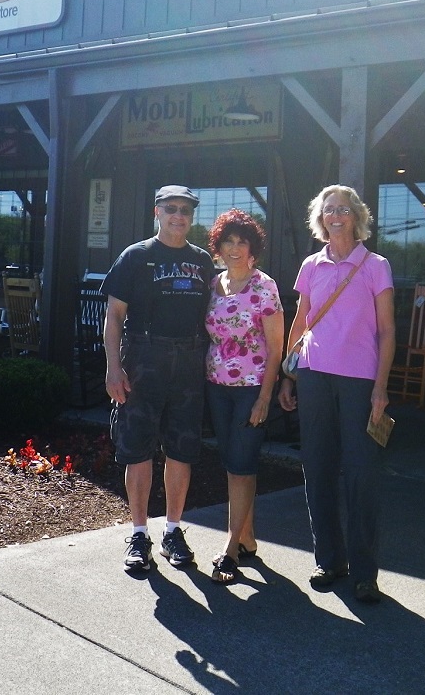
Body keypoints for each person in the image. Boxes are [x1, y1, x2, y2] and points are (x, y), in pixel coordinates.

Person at [278, 184, 395, 604]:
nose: (336, 215)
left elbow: (387, 330)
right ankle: (330, 560)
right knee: (319, 470)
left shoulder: (375, 265)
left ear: (356, 216)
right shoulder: (311, 265)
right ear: (321, 218)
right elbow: (300, 321)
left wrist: (381, 388)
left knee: (362, 475)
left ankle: (365, 573)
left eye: (343, 209)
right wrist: (288, 376)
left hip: (360, 381)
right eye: (329, 210)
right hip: (313, 377)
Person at [101, 185, 215, 573]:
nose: (178, 215)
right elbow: (114, 317)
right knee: (137, 449)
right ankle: (138, 534)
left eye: (185, 210)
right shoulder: (136, 256)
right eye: (171, 209)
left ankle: (172, 531)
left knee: (182, 449)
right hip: (142, 360)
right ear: (157, 212)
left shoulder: (203, 261)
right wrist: (113, 367)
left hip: (188, 362)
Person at [203, 209, 285, 585]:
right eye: (228, 241)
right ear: (218, 247)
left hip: (251, 388)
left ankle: (232, 547)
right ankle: (249, 538)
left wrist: (265, 397)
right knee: (233, 464)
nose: (234, 248)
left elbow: (276, 348)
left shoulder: (263, 286)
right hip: (217, 387)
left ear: (253, 248)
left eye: (242, 241)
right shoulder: (214, 284)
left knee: (242, 464)